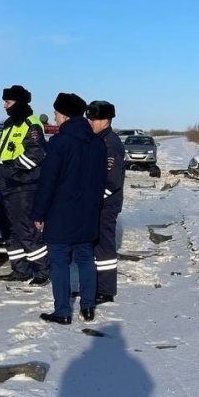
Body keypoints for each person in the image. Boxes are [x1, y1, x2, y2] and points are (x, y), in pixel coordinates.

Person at [32, 93, 107, 324]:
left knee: (59, 261)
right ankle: (88, 307)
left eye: (55, 113)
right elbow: (102, 179)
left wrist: (39, 213)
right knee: (85, 258)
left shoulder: (59, 143)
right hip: (87, 213)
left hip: (61, 213)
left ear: (64, 114)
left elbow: (48, 181)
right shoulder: (97, 143)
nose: (54, 117)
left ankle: (63, 311)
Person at [0, 85, 50, 285]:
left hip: (23, 187)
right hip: (6, 187)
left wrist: (10, 169)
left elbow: (37, 154)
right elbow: (3, 151)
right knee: (10, 230)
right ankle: (20, 270)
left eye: (7, 102)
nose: (4, 106)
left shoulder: (31, 123)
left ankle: (42, 272)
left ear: (18, 102)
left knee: (27, 232)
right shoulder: (9, 123)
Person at [86, 100, 124, 304]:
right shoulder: (96, 140)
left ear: (106, 120)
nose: (91, 122)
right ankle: (96, 286)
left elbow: (112, 181)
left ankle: (106, 290)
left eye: (94, 119)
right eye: (89, 118)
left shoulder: (111, 144)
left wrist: (94, 199)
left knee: (104, 246)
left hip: (106, 204)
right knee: (94, 245)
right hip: (95, 203)